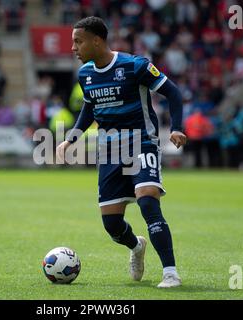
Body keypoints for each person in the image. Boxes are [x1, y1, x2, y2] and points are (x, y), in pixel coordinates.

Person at [56, 17, 187, 288]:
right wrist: (71, 140)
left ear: (97, 40)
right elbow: (89, 108)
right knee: (112, 224)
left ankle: (170, 272)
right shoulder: (85, 75)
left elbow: (173, 93)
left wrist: (176, 127)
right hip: (110, 151)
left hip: (142, 142)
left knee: (148, 201)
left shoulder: (135, 66)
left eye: (78, 41)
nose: (73, 48)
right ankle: (136, 246)